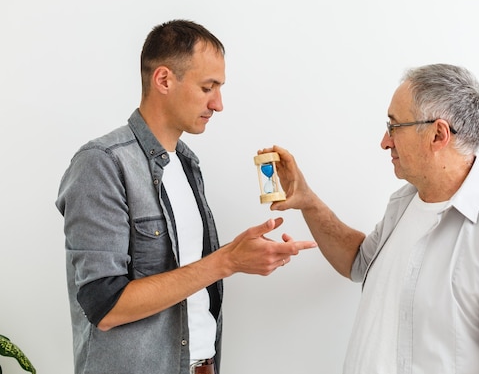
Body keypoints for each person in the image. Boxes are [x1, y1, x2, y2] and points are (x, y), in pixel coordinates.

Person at [56, 19, 317, 374]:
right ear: (163, 80)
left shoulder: (187, 163)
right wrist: (228, 261)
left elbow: (191, 279)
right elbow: (105, 306)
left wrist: (244, 254)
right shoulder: (101, 164)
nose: (219, 103)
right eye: (208, 87)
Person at [261, 64, 479, 374]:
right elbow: (359, 262)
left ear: (438, 134)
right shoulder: (403, 204)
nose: (385, 142)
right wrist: (307, 200)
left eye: (394, 126)